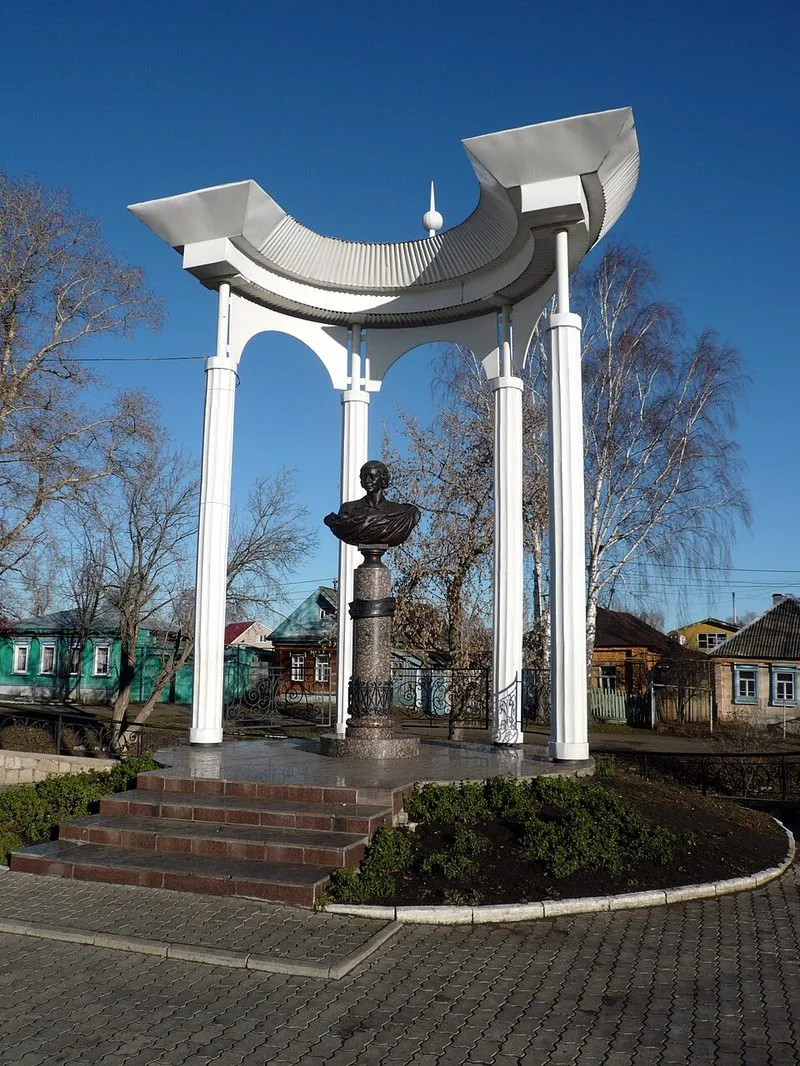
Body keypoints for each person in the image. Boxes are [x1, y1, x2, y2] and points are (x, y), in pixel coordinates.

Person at [324, 461, 420, 547]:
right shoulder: (348, 509)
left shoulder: (401, 512)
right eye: (364, 477)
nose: (367, 480)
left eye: (372, 476)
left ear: (383, 479)